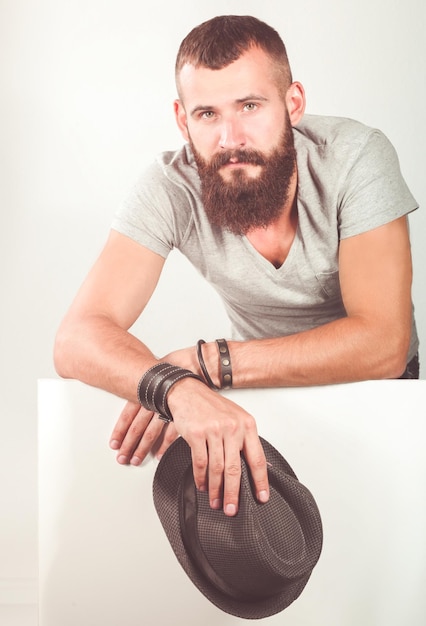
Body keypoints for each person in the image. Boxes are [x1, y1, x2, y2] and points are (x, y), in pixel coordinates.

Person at [54, 15, 420, 517]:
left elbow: (384, 344)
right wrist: (174, 387)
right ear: (183, 121)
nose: (230, 137)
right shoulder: (171, 185)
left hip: (384, 400)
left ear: (293, 104)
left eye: (249, 106)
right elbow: (76, 338)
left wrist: (208, 363)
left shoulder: (355, 157)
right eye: (207, 113)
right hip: (261, 400)